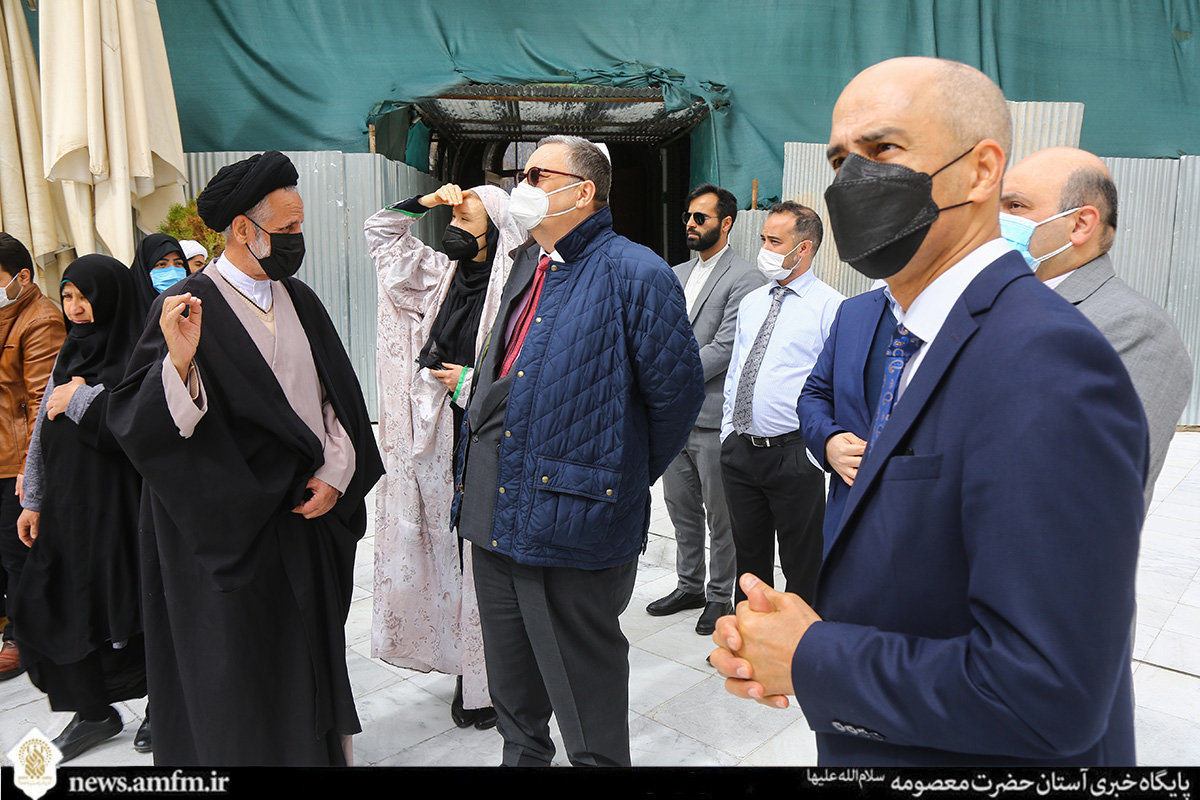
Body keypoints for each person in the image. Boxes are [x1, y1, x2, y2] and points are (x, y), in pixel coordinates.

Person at [711, 57, 1148, 766]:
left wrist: (812, 656)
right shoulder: (905, 328)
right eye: (840, 160)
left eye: (883, 149)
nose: (852, 181)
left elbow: (1048, 695)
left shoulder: (1050, 362)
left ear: (981, 171)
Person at [107, 151, 383, 766]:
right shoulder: (185, 305)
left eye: (299, 225)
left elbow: (337, 398)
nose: (298, 238)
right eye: (287, 228)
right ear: (241, 229)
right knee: (238, 674)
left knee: (307, 662)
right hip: (227, 532)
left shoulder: (301, 299)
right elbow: (139, 423)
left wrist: (336, 474)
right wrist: (179, 361)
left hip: (306, 519)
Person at [456, 135, 704, 766]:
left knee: (586, 711)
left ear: (584, 191)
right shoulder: (527, 263)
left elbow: (675, 402)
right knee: (514, 700)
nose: (522, 186)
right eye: (521, 174)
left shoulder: (636, 272)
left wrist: (608, 476)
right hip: (496, 512)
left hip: (572, 522)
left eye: (537, 175)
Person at [366, 181, 524, 730]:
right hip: (438, 441)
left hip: (490, 439)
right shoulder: (440, 275)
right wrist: (428, 202)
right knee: (449, 555)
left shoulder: (518, 290)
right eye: (451, 215)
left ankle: (489, 685)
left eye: (466, 214)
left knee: (485, 562)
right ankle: (465, 669)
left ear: (497, 227)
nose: (453, 222)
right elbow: (380, 233)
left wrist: (470, 382)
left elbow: (529, 373)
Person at [1000, 146, 1192, 508]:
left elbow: (1098, 490)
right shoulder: (988, 303)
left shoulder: (1134, 328)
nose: (994, 222)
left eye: (1015, 206)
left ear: (1080, 224)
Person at [13, 255, 146, 762]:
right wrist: (34, 500)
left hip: (122, 513)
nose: (74, 307)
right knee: (48, 607)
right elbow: (41, 435)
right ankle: (93, 712)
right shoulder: (69, 351)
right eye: (67, 296)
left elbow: (140, 425)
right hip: (68, 511)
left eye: (84, 296)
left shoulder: (140, 350)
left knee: (132, 611)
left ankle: (161, 705)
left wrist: (83, 399)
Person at [647, 184, 764, 636]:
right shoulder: (675, 273)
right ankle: (689, 585)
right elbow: (655, 334)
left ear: (726, 223)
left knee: (721, 516)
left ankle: (719, 596)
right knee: (681, 509)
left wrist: (664, 373)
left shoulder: (746, 278)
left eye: (701, 218)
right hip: (671, 418)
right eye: (688, 217)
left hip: (713, 418)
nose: (691, 225)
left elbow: (726, 347)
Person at [719, 202, 843, 606]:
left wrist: (814, 453)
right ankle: (751, 636)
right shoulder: (753, 301)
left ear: (803, 248)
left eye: (774, 241)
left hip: (795, 454)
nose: (764, 249)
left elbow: (836, 387)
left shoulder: (832, 308)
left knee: (802, 564)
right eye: (763, 239)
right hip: (741, 451)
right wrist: (728, 432)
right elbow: (737, 368)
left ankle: (798, 640)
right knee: (749, 565)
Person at [0, 234, 65, 682]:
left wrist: (31, 470)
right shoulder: (7, 314)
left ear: (22, 277)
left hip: (17, 462)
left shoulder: (40, 320)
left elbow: (42, 403)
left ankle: (25, 640)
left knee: (18, 555)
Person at [796, 282, 900, 551]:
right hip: (848, 511)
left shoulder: (966, 311)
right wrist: (828, 440)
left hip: (923, 522)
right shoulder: (854, 311)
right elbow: (815, 393)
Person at [130, 233, 188, 313]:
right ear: (145, 269)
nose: (173, 271)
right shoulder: (130, 311)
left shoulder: (195, 308)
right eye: (161, 264)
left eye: (178, 263)